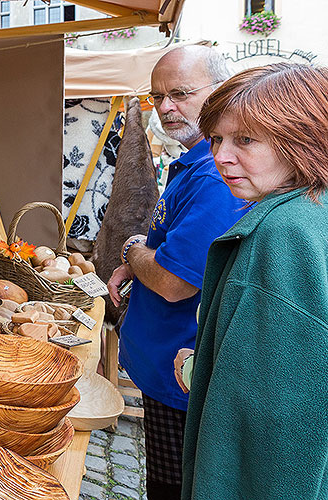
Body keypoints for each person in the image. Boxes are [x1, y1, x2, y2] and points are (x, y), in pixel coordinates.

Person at [175, 63, 328, 499]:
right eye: (218, 138)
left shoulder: (286, 233)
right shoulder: (313, 210)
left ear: (302, 139)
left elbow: (271, 429)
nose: (221, 155)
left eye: (245, 139)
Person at [106, 46, 248, 500]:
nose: (166, 107)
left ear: (220, 93)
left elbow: (172, 281)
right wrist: (139, 261)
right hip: (167, 370)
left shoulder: (215, 175)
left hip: (180, 376)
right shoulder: (195, 162)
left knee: (172, 489)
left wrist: (131, 249)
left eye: (181, 93)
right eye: (157, 96)